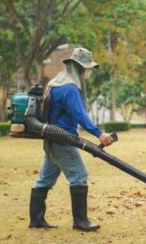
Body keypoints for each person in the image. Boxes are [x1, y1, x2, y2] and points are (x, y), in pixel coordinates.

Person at [28, 48, 115, 232]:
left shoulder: (55, 83)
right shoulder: (69, 88)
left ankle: (36, 220)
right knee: (79, 176)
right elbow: (80, 115)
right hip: (63, 141)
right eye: (86, 68)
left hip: (51, 140)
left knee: (45, 180)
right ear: (78, 68)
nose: (87, 72)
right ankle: (81, 222)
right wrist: (99, 133)